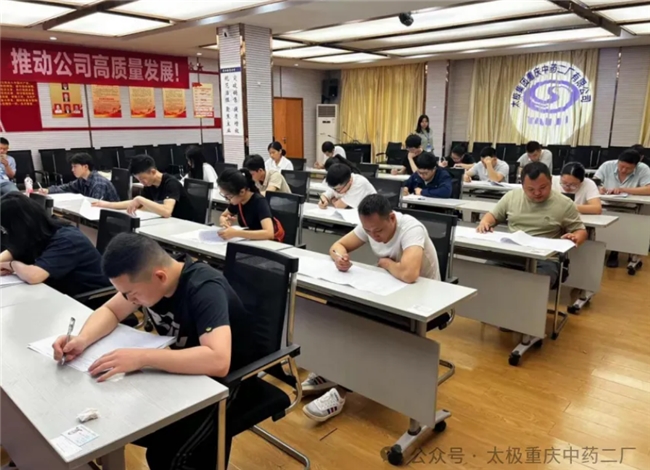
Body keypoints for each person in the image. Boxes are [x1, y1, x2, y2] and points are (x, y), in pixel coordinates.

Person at [51, 233, 254, 469]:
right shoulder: (150, 279)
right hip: (185, 373)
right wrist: (82, 339)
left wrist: (143, 357)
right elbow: (111, 311)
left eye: (132, 294)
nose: (129, 300)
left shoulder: (204, 288)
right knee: (123, 422)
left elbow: (218, 360)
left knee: (165, 455)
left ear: (160, 276)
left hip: (229, 382)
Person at [302, 194, 440, 422]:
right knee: (337, 306)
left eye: (378, 231)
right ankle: (330, 370)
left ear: (392, 218)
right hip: (390, 291)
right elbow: (337, 246)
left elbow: (409, 274)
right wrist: (340, 258)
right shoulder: (370, 224)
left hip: (424, 301)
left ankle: (341, 389)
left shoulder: (411, 228)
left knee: (366, 325)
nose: (374, 236)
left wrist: (386, 263)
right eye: (368, 231)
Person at [477, 162, 588, 287]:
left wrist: (575, 237)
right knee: (486, 276)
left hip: (545, 259)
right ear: (522, 185)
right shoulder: (512, 197)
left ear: (551, 181)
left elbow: (581, 231)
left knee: (532, 286)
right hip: (511, 254)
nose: (537, 193)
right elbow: (493, 215)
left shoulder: (565, 204)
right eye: (531, 189)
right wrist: (485, 222)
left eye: (542, 187)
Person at [0, 193, 109, 297]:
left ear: (19, 227)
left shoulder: (67, 240)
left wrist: (11, 265)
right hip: (61, 292)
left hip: (89, 300)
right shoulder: (39, 231)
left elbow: (34, 276)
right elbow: (16, 250)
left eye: (5, 230)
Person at [93, 155, 196, 221]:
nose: (142, 182)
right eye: (139, 180)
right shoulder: (149, 184)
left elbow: (166, 211)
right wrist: (108, 205)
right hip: (168, 223)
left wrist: (140, 200)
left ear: (153, 172)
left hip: (186, 225)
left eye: (143, 179)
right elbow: (136, 203)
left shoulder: (171, 183)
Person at [594, 148, 650, 268]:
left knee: (633, 225)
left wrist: (623, 189)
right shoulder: (607, 165)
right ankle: (610, 251)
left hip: (631, 207)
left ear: (636, 165)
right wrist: (599, 188)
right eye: (621, 166)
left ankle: (627, 252)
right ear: (618, 161)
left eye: (628, 168)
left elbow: (648, 189)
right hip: (606, 205)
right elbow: (595, 182)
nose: (623, 170)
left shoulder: (643, 169)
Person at [218, 168, 279, 241]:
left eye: (229, 196)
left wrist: (236, 233)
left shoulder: (259, 202)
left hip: (265, 243)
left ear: (242, 192)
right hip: (250, 241)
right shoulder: (238, 200)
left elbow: (269, 233)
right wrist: (224, 221)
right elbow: (223, 215)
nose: (227, 200)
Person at [38, 152, 120, 202]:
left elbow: (96, 205)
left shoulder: (98, 184)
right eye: (72, 167)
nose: (72, 170)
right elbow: (66, 187)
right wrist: (48, 190)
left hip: (111, 218)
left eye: (75, 167)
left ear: (85, 167)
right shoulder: (82, 180)